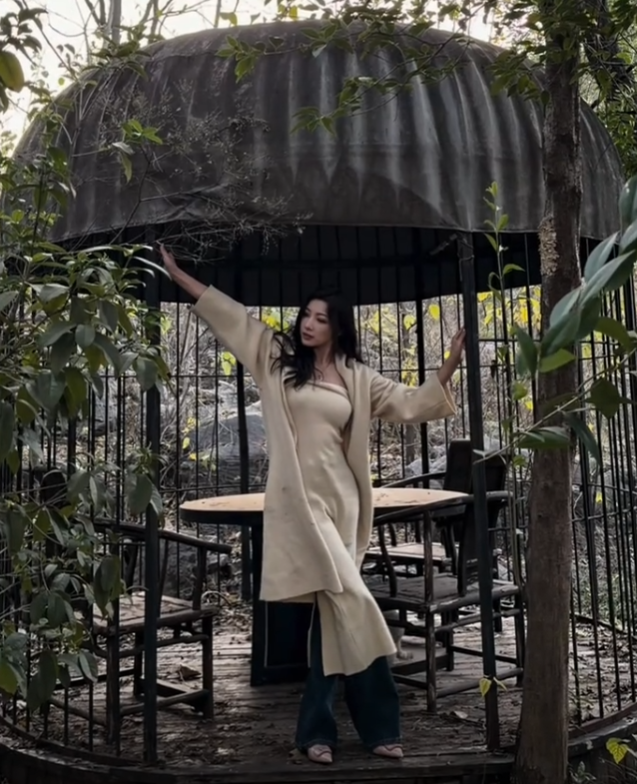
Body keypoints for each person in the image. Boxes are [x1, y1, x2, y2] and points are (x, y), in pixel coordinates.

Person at [159, 244, 465, 765]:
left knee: (335, 613)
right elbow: (233, 319)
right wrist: (179, 276)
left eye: (320, 319)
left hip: (343, 504)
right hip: (298, 505)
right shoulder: (277, 360)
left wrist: (451, 363)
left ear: (338, 328)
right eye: (306, 314)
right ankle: (380, 727)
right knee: (355, 602)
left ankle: (317, 733)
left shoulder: (358, 377)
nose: (308, 324)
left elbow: (411, 403)